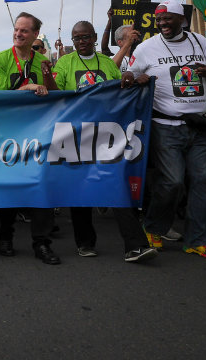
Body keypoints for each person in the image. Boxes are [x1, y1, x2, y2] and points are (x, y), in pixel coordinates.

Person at [122, 1, 206, 259]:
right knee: (173, 182)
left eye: (168, 19)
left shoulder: (201, 42)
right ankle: (154, 227)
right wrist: (136, 78)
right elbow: (128, 78)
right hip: (166, 126)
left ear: (182, 19)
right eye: (159, 20)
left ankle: (198, 239)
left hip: (200, 126)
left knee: (202, 181)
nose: (163, 24)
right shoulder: (146, 48)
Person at [53, 21, 157, 263]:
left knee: (116, 187)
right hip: (75, 135)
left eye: (86, 37)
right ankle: (85, 243)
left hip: (108, 135)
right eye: (76, 38)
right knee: (80, 192)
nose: (81, 41)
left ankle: (135, 246)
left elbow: (121, 89)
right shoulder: (64, 63)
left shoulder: (108, 64)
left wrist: (135, 79)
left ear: (95, 37)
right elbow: (56, 96)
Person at [0, 12, 61, 264]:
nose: (18, 34)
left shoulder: (43, 59)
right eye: (16, 29)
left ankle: (42, 243)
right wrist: (26, 88)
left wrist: (47, 76)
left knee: (42, 187)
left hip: (39, 133)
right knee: (10, 187)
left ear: (35, 35)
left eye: (24, 31)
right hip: (8, 134)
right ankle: (5, 235)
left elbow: (58, 95)